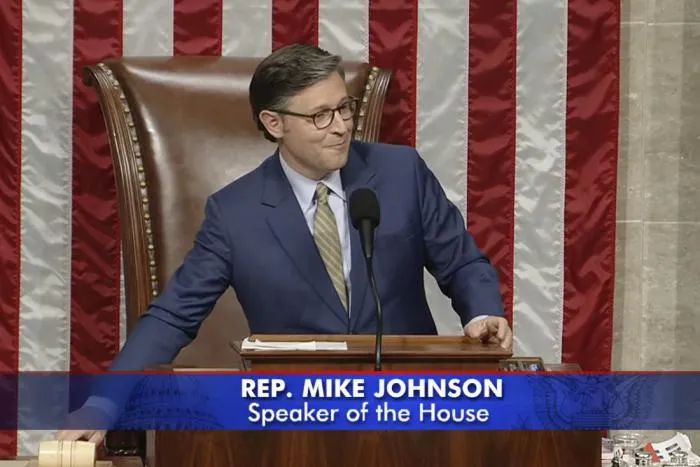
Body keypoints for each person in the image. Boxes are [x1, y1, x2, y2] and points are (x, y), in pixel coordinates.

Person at [59, 43, 512, 444]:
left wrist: (482, 314)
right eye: (320, 116)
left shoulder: (401, 173)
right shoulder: (235, 214)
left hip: (412, 410)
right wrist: (104, 403)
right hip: (295, 422)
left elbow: (462, 263)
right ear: (274, 123)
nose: (341, 127)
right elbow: (173, 315)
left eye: (344, 108)